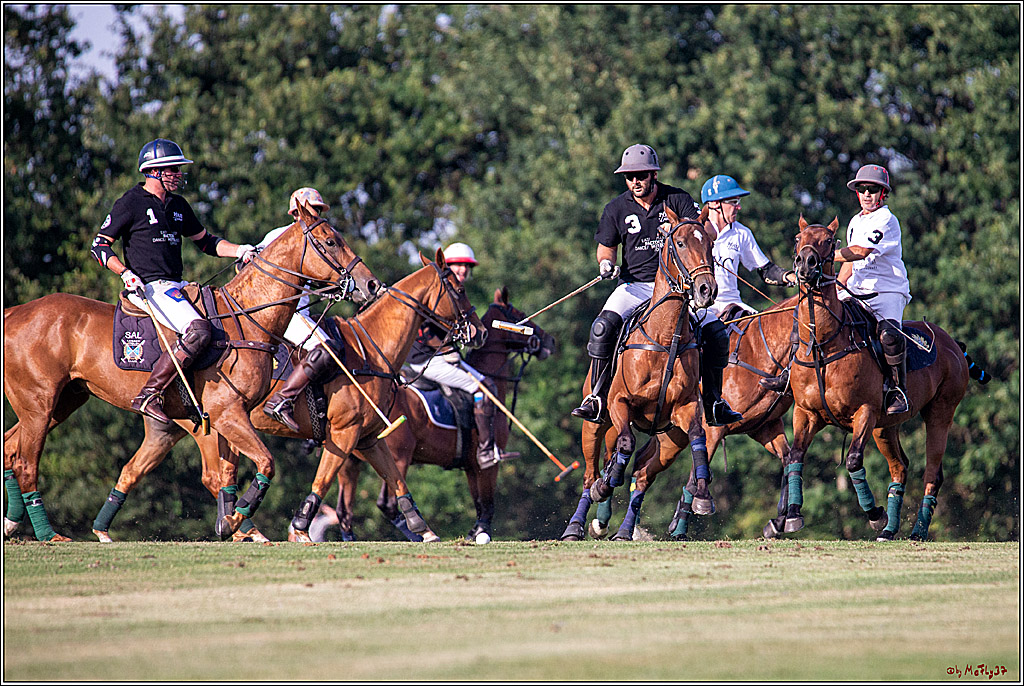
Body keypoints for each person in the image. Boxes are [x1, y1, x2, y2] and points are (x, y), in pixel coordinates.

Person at [570, 144, 743, 427]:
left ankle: (714, 401)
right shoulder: (615, 208)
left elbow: (705, 231)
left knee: (716, 333)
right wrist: (605, 264)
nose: (635, 181)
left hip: (677, 290)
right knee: (602, 328)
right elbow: (606, 248)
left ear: (653, 175)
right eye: (629, 177)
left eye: (641, 175)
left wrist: (679, 230)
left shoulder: (676, 198)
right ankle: (597, 398)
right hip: (634, 286)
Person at [91, 138, 257, 423]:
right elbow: (99, 246)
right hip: (148, 288)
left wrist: (240, 250)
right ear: (154, 172)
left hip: (176, 285)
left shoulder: (178, 205)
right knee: (199, 330)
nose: (179, 175)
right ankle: (149, 394)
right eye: (173, 170)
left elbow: (207, 243)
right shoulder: (130, 202)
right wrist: (125, 273)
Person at [405, 242, 518, 469]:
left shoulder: (455, 293)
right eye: (458, 265)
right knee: (482, 387)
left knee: (489, 385)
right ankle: (485, 452)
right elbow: (424, 330)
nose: (464, 271)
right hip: (426, 361)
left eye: (467, 267)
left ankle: (486, 446)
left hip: (438, 358)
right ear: (446, 265)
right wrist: (447, 350)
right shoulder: (437, 292)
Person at [261, 188, 342, 432]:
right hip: (288, 314)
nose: (317, 214)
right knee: (327, 350)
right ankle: (281, 400)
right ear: (297, 212)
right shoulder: (280, 235)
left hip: (306, 312)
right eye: (312, 210)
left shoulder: (320, 239)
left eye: (319, 210)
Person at [698, 174, 796, 323]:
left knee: (766, 328)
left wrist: (793, 277)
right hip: (700, 305)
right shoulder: (695, 232)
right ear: (716, 204)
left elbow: (765, 269)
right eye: (733, 202)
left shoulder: (742, 233)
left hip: (732, 304)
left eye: (739, 201)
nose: (739, 207)